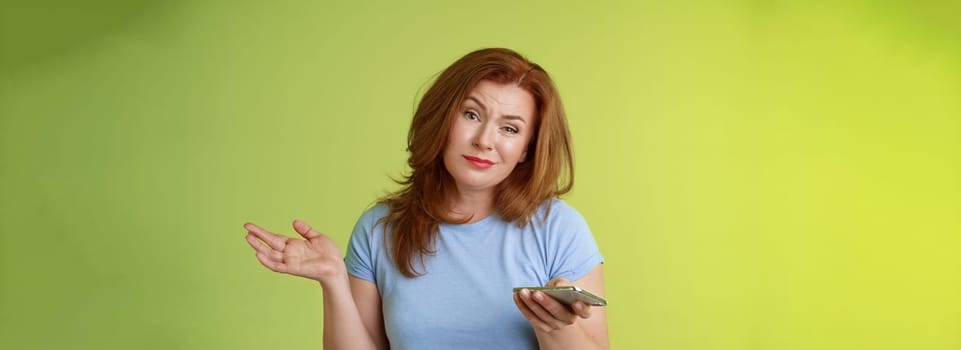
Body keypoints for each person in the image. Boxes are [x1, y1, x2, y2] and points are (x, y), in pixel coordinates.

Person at [243, 48, 608, 350]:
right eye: (471, 114)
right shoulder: (379, 229)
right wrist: (333, 280)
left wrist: (555, 326)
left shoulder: (560, 229)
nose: (484, 140)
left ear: (526, 149)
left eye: (509, 128)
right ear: (442, 120)